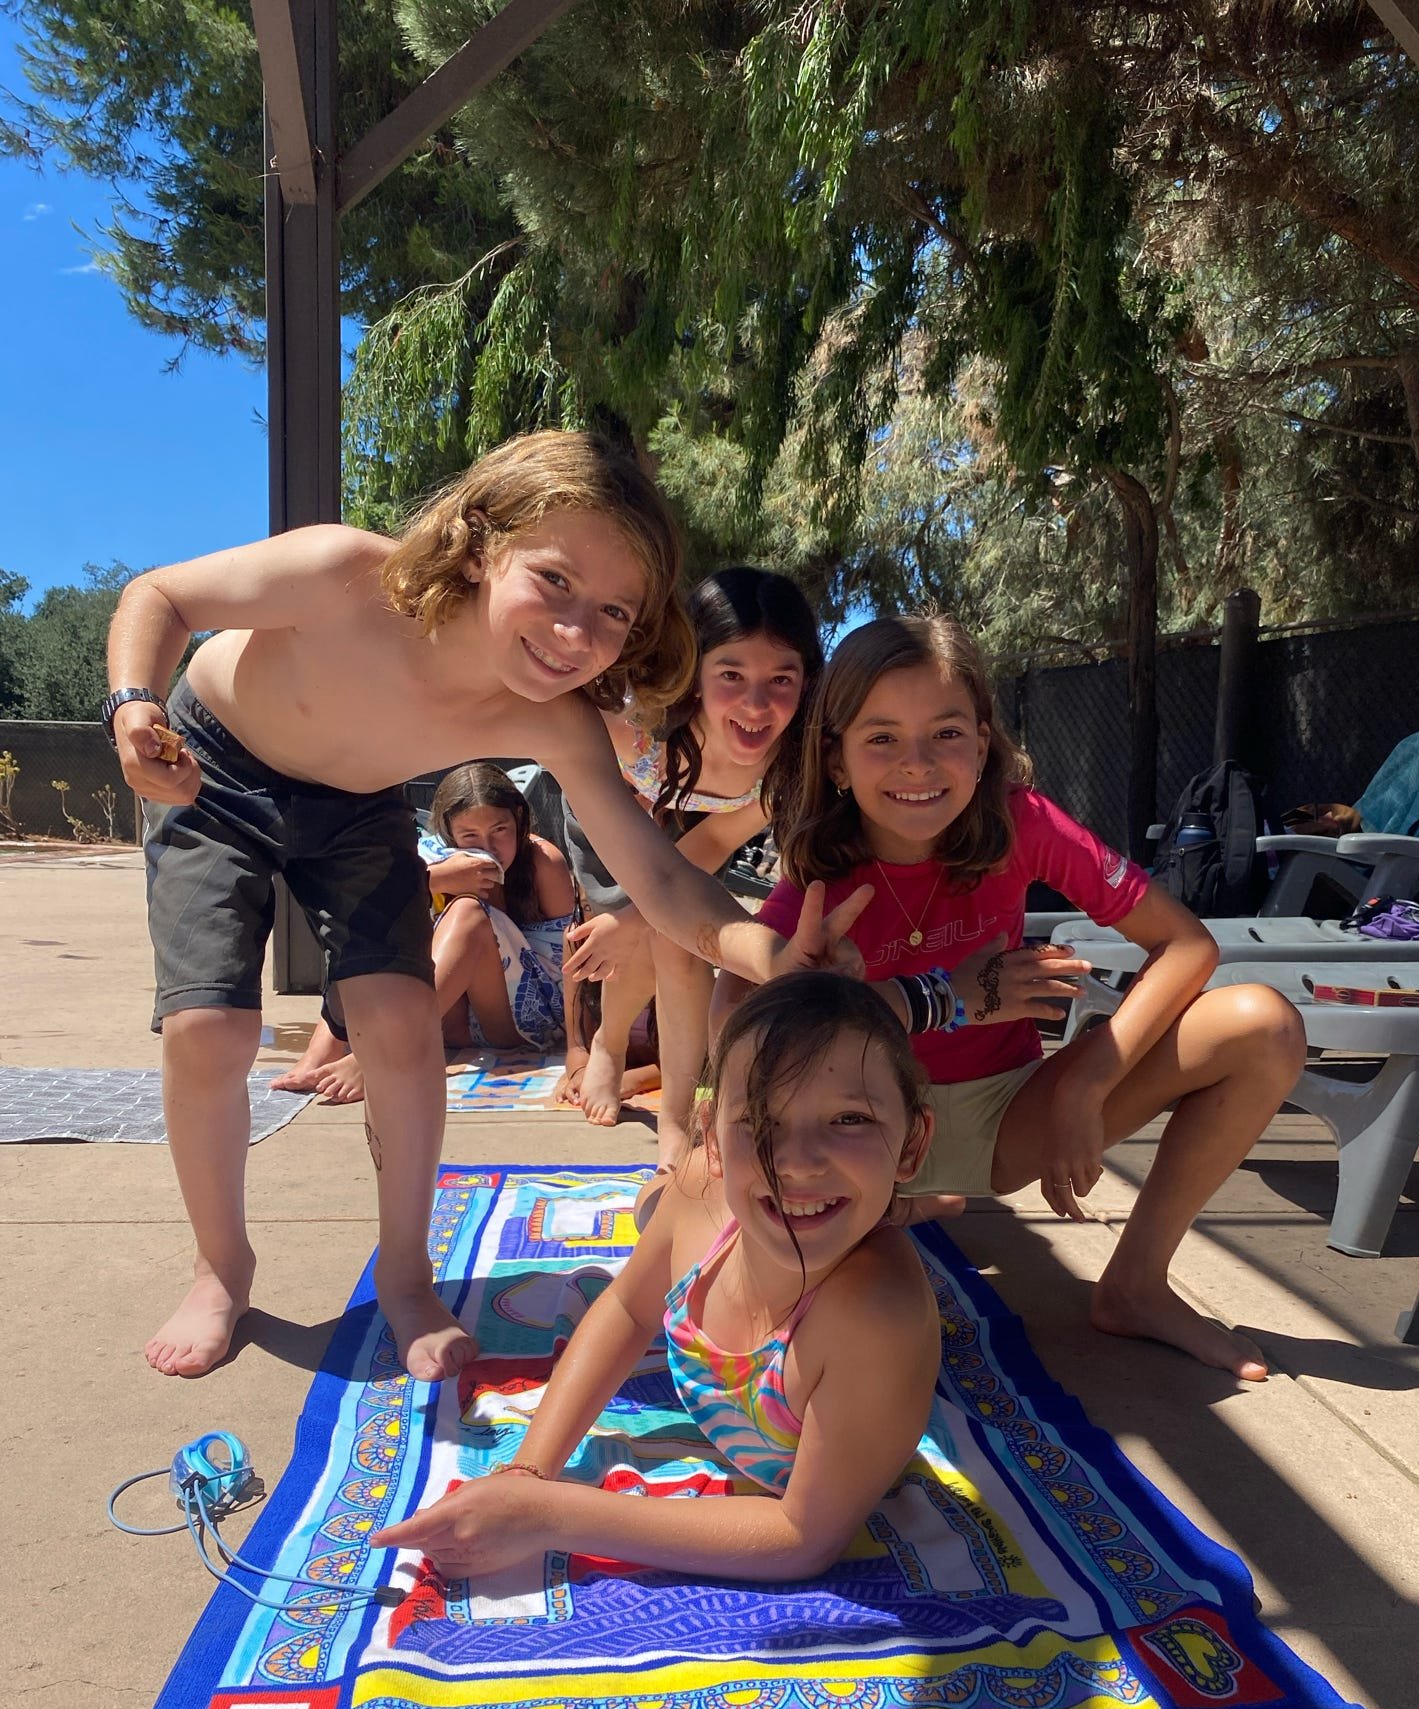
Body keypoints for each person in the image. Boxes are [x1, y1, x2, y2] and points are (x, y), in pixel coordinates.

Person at [106, 431, 866, 1383]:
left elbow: (660, 878)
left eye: (613, 613)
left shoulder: (553, 718)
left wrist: (766, 955)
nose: (576, 632)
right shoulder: (348, 575)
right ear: (478, 545)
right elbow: (160, 595)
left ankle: (407, 1272)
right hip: (213, 773)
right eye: (553, 582)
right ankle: (222, 1267)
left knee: (400, 1027)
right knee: (209, 1030)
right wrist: (134, 708)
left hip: (355, 810)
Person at [716, 613, 1306, 1385]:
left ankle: (1135, 1284)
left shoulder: (1019, 822)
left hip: (1010, 1115)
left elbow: (1187, 945)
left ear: (985, 741)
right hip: (867, 1135)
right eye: (882, 737)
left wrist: (1088, 1080)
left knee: (1262, 1024)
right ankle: (895, 1212)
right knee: (818, 1332)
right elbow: (736, 1014)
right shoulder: (825, 869)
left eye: (948, 734)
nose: (917, 765)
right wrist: (933, 999)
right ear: (835, 760)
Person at [369, 972, 941, 1584]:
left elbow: (801, 1537)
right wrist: (525, 1473)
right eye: (760, 1123)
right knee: (660, 1201)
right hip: (704, 1195)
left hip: (782, 1244)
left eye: (849, 1120)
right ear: (715, 1137)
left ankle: (922, 1202)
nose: (797, 1160)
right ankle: (659, 1184)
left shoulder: (875, 1319)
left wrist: (550, 1513)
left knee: (698, 1202)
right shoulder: (704, 1187)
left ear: (912, 1144)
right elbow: (627, 1309)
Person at [559, 567, 821, 1167]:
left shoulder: (790, 761)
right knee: (637, 937)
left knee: (679, 942)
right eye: (731, 674)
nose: (757, 704)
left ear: (806, 682)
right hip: (615, 808)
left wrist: (639, 917)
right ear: (694, 674)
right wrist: (628, 911)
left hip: (698, 829)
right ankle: (609, 1040)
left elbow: (718, 838)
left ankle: (675, 1116)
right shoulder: (635, 727)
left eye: (781, 678)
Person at [272, 763, 576, 1102]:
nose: (488, 847)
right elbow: (359, 904)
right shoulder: (433, 855)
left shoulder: (542, 861)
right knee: (368, 925)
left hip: (526, 1021)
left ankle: (379, 1054)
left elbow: (560, 974)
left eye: (500, 830)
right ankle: (320, 1054)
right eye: (470, 836)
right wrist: (440, 879)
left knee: (469, 914)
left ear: (518, 818)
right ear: (448, 830)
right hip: (450, 1018)